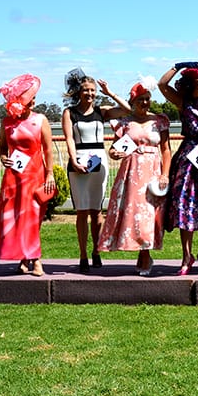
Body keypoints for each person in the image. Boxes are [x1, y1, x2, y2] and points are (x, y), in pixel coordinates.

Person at [97, 82, 171, 275]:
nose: (145, 102)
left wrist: (165, 174)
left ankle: (145, 254)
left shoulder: (159, 120)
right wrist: (114, 154)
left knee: (150, 213)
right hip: (132, 172)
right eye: (141, 99)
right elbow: (114, 148)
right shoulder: (125, 122)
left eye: (147, 98)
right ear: (133, 101)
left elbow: (166, 150)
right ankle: (143, 253)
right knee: (135, 213)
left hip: (153, 172)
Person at [61, 70, 129, 273]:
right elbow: (69, 139)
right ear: (78, 92)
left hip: (99, 162)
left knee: (96, 210)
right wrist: (73, 161)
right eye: (86, 91)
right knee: (82, 211)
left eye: (93, 91)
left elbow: (126, 110)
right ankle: (82, 254)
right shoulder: (69, 113)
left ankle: (97, 250)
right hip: (78, 162)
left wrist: (110, 93)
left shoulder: (103, 111)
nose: (89, 94)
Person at [159, 62, 198, 275]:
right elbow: (162, 84)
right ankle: (186, 256)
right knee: (184, 206)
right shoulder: (183, 102)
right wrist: (178, 66)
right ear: (189, 86)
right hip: (187, 158)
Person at [0, 74, 56, 276]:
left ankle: (35, 259)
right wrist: (4, 159)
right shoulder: (7, 123)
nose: (34, 101)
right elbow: (2, 148)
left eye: (34, 98)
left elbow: (48, 150)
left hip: (35, 177)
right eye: (30, 98)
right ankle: (24, 258)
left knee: (32, 219)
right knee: (17, 219)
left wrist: (50, 175)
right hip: (14, 178)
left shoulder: (40, 120)